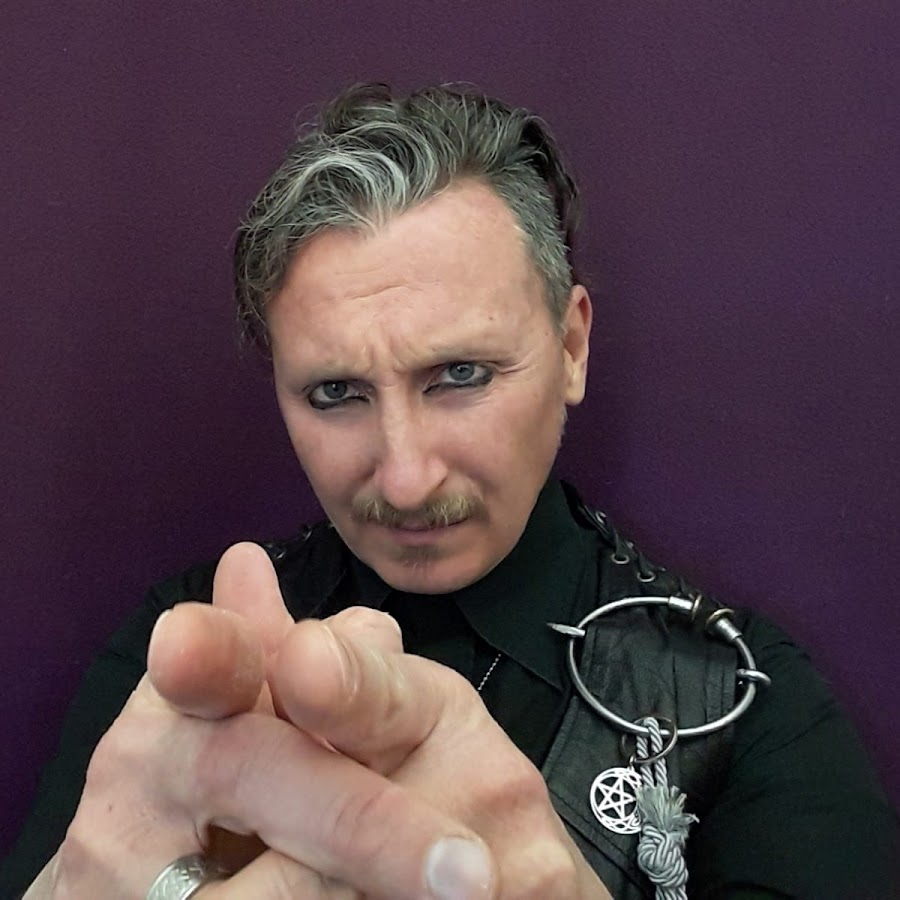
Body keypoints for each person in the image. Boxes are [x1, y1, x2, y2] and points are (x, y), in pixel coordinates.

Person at [2, 83, 897, 900]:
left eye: (461, 374)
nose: (406, 478)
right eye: (336, 393)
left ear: (572, 348)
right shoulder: (180, 650)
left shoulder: (741, 700)